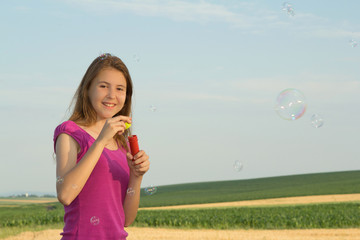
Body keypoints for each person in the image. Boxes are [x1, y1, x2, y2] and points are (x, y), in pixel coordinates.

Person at [53, 53, 150, 240]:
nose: (112, 95)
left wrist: (136, 177)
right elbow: (65, 194)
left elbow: (126, 219)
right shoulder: (69, 133)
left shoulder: (123, 145)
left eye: (120, 89)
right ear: (87, 89)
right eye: (103, 86)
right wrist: (100, 142)